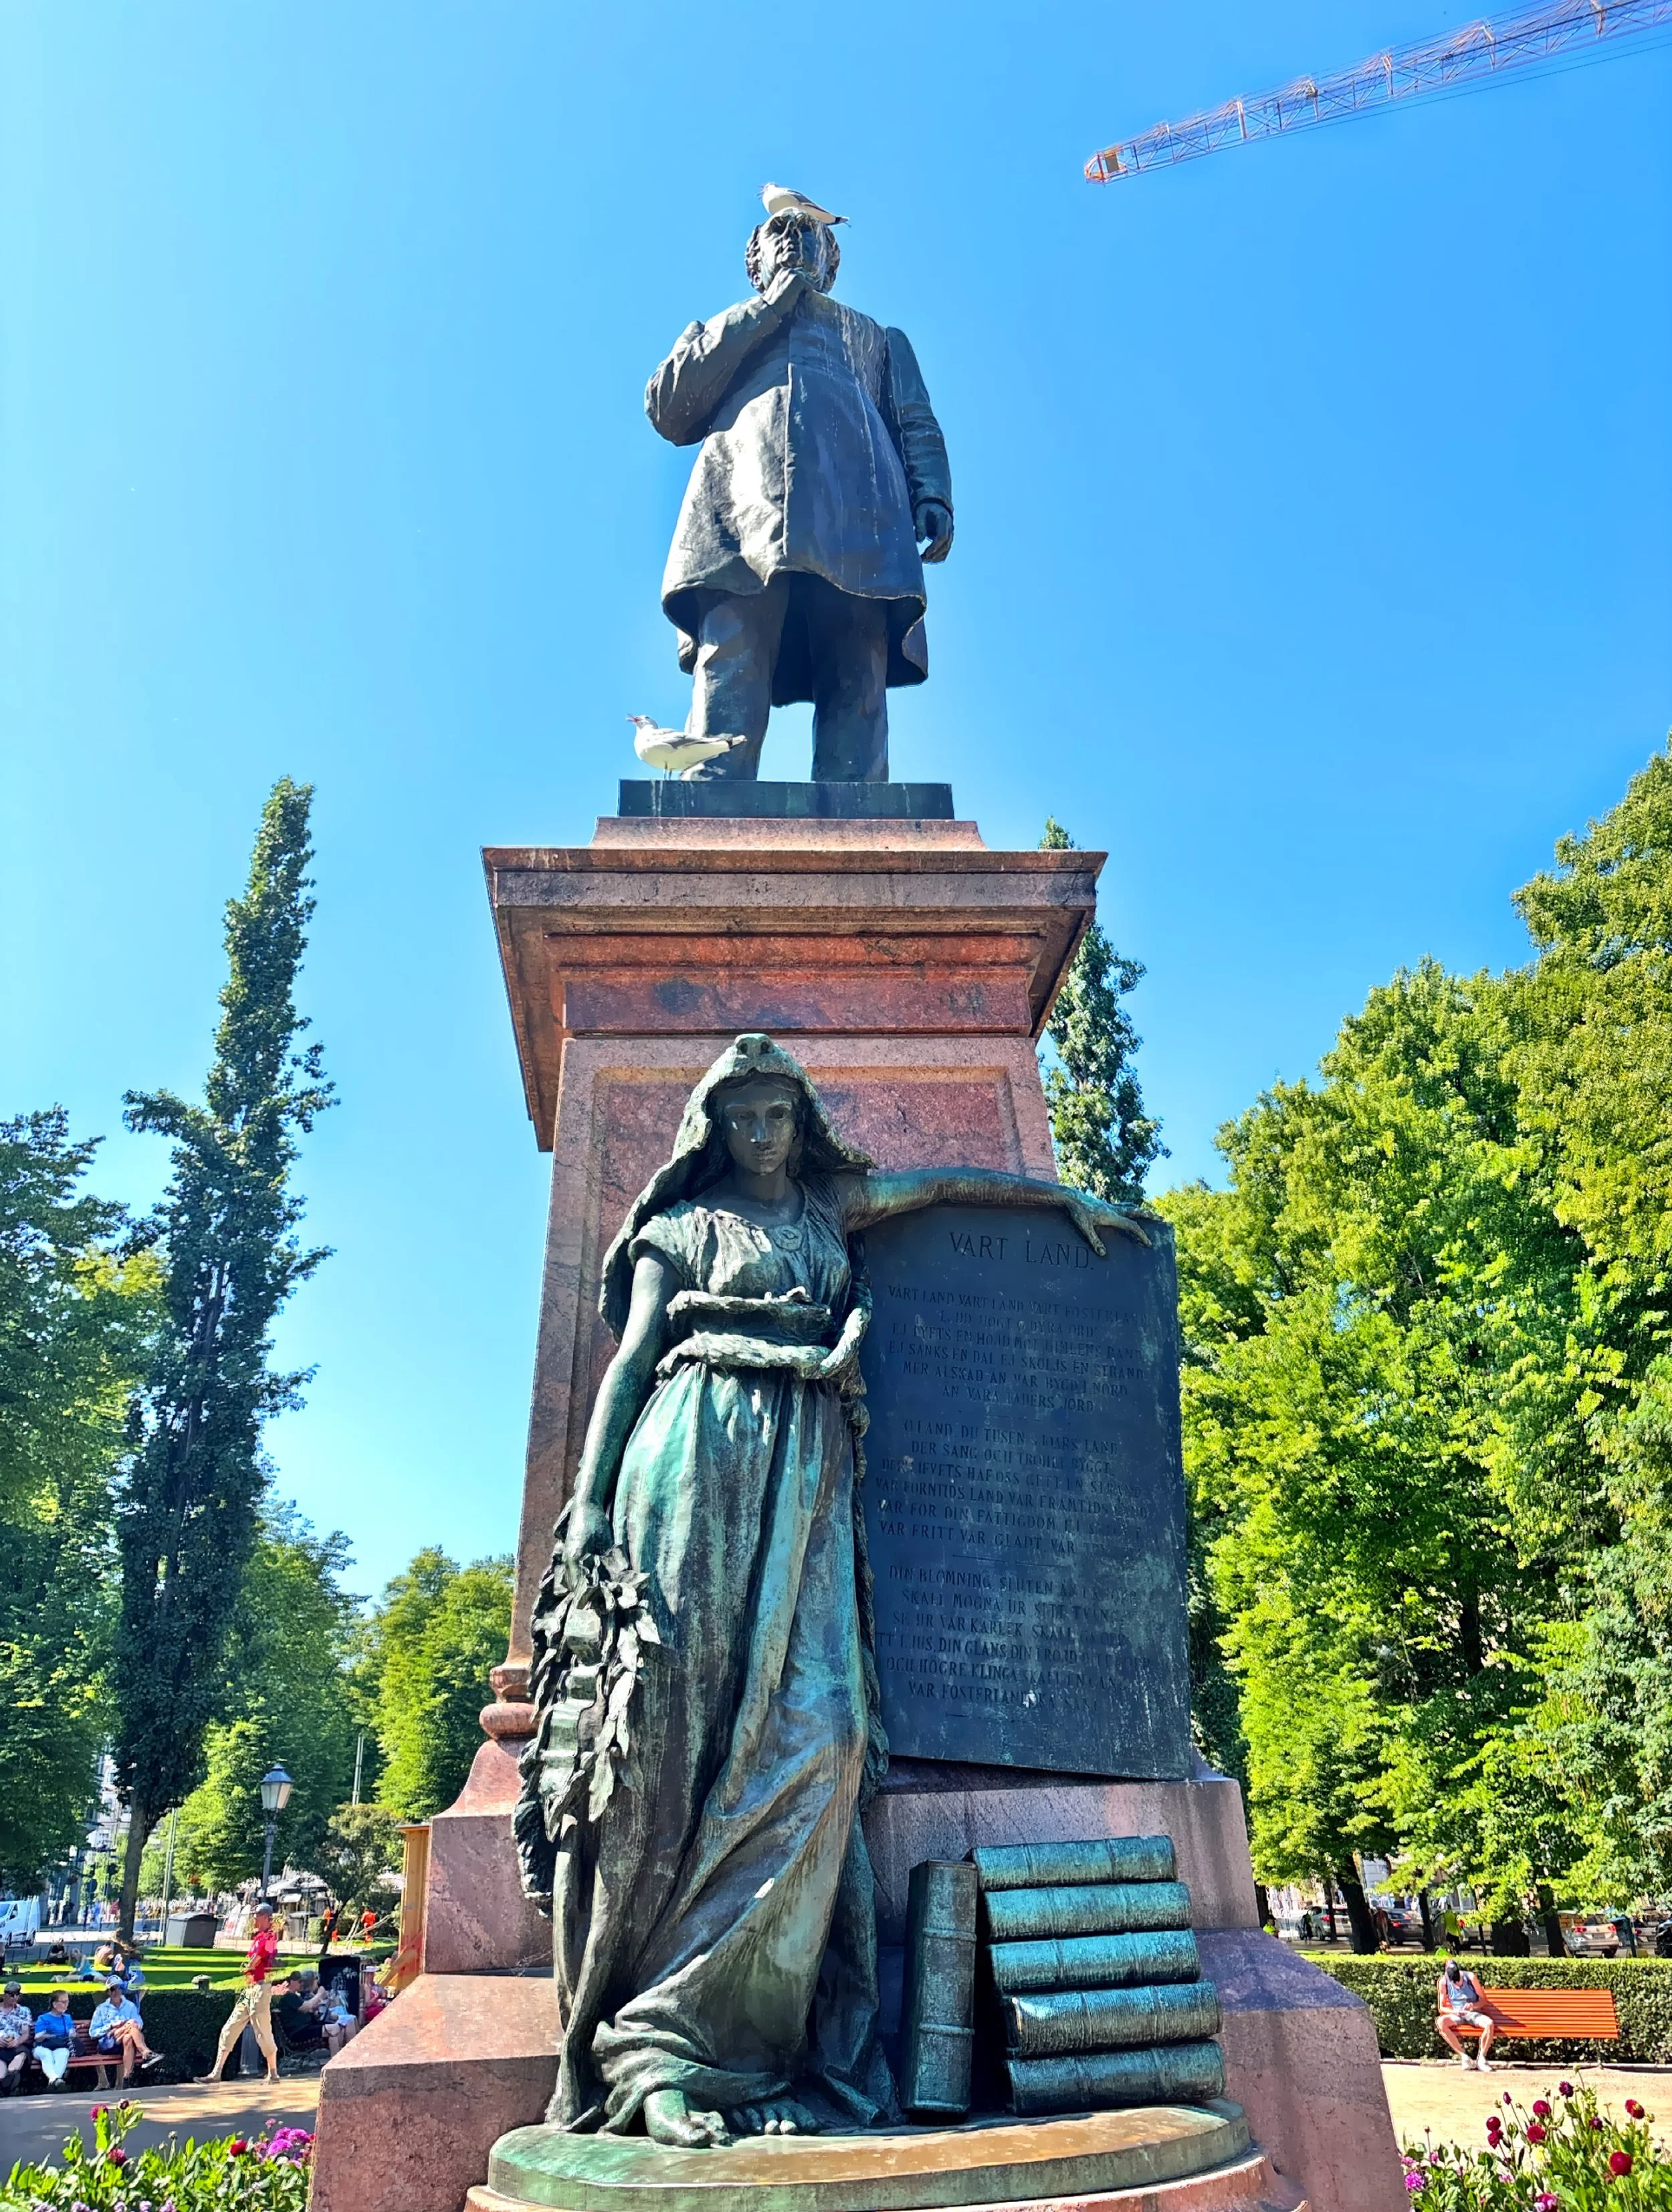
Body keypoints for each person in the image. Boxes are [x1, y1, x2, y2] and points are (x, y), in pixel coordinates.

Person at [515, 1031, 1142, 2146]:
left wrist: (1059, 1203)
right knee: (677, 1741)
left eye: (778, 1114)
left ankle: (733, 2037)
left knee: (823, 1733)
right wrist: (597, 1497)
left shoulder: (828, 1208)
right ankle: (658, 2057)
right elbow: (630, 1360)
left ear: (803, 1121)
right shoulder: (677, 1226)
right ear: (714, 1125)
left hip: (806, 1472)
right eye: (744, 1116)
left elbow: (943, 1186)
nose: (762, 1134)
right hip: (695, 1458)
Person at [645, 208, 953, 782]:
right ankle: (713, 791)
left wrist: (932, 489)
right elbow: (668, 406)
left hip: (860, 510)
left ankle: (858, 811)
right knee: (732, 643)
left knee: (857, 656)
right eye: (777, 233)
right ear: (755, 264)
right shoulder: (721, 331)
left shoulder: (875, 338)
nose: (793, 240)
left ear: (830, 261)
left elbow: (914, 418)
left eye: (807, 232)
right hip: (740, 504)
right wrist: (765, 312)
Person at [197, 1899, 281, 2086]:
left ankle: (273, 2073)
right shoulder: (259, 1938)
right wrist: (248, 1966)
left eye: (258, 1916)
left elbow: (258, 1960)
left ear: (267, 1918)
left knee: (263, 2031)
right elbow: (253, 1961)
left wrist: (248, 1966)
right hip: (250, 1988)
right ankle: (216, 2072)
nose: (255, 1919)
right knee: (230, 2028)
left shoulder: (269, 1938)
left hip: (260, 1988)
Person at [88, 1977, 161, 2084]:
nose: (116, 1991)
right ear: (108, 1992)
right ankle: (146, 2052)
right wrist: (111, 2026)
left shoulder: (130, 2006)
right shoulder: (101, 2009)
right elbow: (93, 2033)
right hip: (107, 2042)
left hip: (124, 2039)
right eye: (113, 1989)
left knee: (129, 2036)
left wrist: (125, 2026)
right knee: (131, 2024)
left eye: (119, 1988)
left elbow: (139, 2024)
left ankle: (126, 2079)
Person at [1436, 1956, 1497, 2071]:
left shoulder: (1470, 1978)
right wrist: (1455, 2011)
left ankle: (1482, 2059)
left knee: (1489, 2024)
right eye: (1454, 1982)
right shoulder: (1443, 1982)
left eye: (1458, 1980)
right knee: (1441, 2022)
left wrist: (1473, 2006)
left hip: (1473, 2013)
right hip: (1457, 2014)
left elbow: (1483, 2000)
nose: (1457, 1984)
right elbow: (1442, 2007)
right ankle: (1464, 2057)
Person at [272, 1973, 326, 2053]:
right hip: (298, 2032)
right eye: (300, 1981)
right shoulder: (288, 1996)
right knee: (334, 2029)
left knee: (339, 2028)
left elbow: (305, 2009)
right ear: (292, 1981)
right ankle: (337, 2061)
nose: (302, 1984)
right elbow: (306, 2007)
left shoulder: (294, 1995)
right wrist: (320, 1994)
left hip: (304, 2028)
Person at [31, 1991, 75, 2090]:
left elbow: (72, 2032)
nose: (66, 2005)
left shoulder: (67, 2018)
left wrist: (72, 2033)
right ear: (55, 2004)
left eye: (67, 2002)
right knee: (47, 2055)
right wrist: (47, 2035)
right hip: (42, 2047)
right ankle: (56, 2080)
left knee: (63, 2053)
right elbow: (37, 2037)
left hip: (60, 2046)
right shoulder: (43, 2018)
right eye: (63, 2002)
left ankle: (53, 2082)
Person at [0, 1983, 32, 2096]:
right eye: (11, 1994)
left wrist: (17, 2042)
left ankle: (10, 2076)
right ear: (4, 1995)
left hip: (17, 2045)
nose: (14, 1997)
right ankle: (6, 2081)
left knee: (22, 2053)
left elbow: (25, 2033)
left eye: (17, 1994)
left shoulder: (24, 2011)